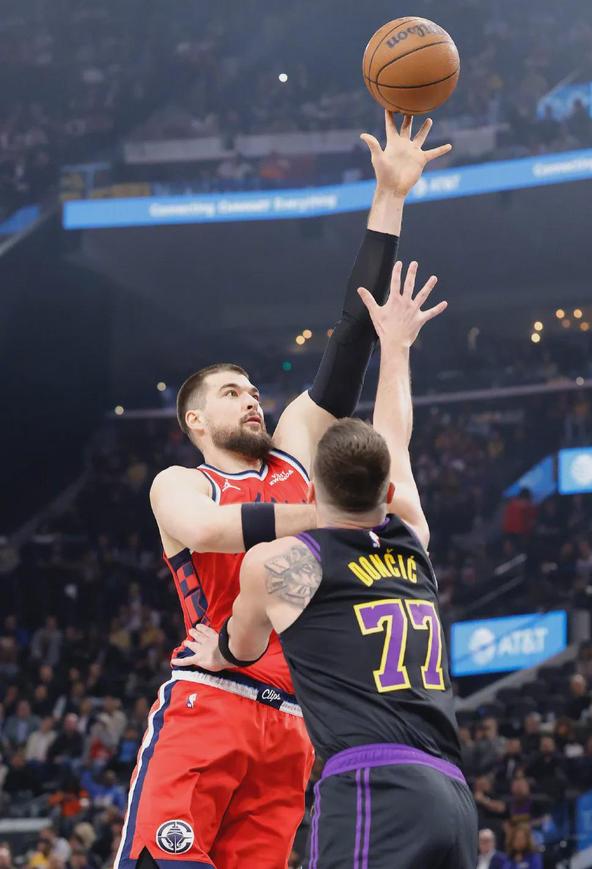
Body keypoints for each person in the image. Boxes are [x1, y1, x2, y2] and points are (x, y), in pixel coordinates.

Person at [116, 113, 453, 869]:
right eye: (231, 392)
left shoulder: (295, 448)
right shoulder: (182, 482)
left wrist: (390, 197)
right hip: (213, 696)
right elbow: (208, 533)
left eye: (252, 390)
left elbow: (350, 335)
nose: (251, 400)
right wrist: (334, 516)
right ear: (195, 419)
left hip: (299, 721)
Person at [179, 263, 477, 867]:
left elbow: (240, 647)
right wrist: (397, 348)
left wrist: (220, 652)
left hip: (372, 786)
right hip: (452, 793)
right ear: (385, 492)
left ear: (312, 490)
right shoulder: (413, 540)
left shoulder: (289, 562)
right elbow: (396, 439)